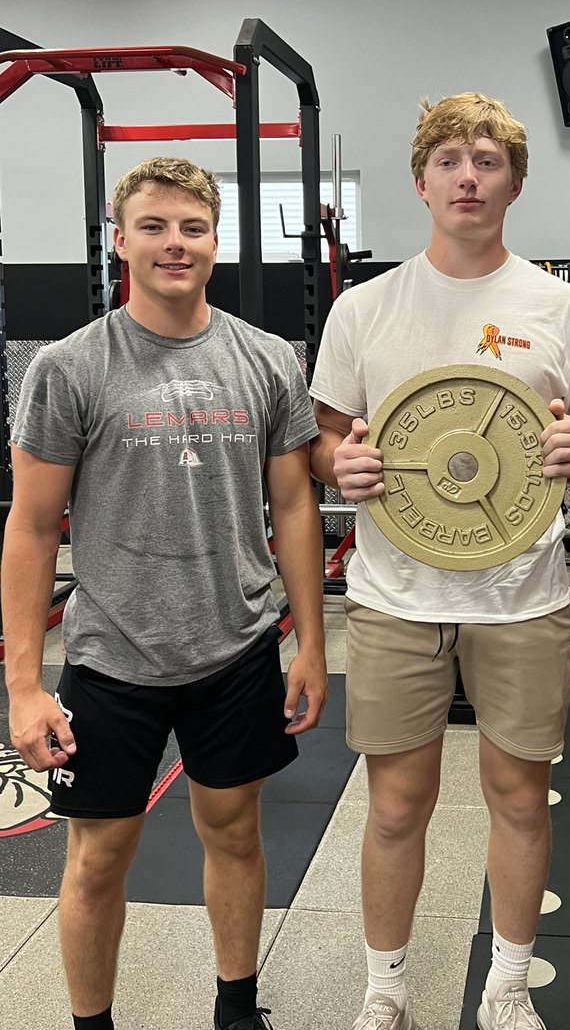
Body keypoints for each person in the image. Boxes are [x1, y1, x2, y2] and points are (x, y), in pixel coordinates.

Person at [309, 92, 570, 1030]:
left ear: (515, 183)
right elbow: (320, 444)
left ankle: (508, 986)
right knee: (397, 804)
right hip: (393, 596)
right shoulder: (364, 309)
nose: (467, 175)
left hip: (522, 596)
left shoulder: (562, 308)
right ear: (420, 182)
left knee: (520, 799)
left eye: (487, 160)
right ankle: (384, 990)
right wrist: (347, 463)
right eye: (449, 159)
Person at [1, 157, 327, 1030]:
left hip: (238, 647)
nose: (174, 244)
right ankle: (91, 1024)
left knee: (234, 831)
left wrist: (312, 647)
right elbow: (32, 528)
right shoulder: (70, 368)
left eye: (191, 227)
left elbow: (294, 503)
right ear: (120, 241)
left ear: (215, 242)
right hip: (114, 656)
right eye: (153, 226)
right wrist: (26, 686)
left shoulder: (265, 358)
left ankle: (236, 1007)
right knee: (99, 857)